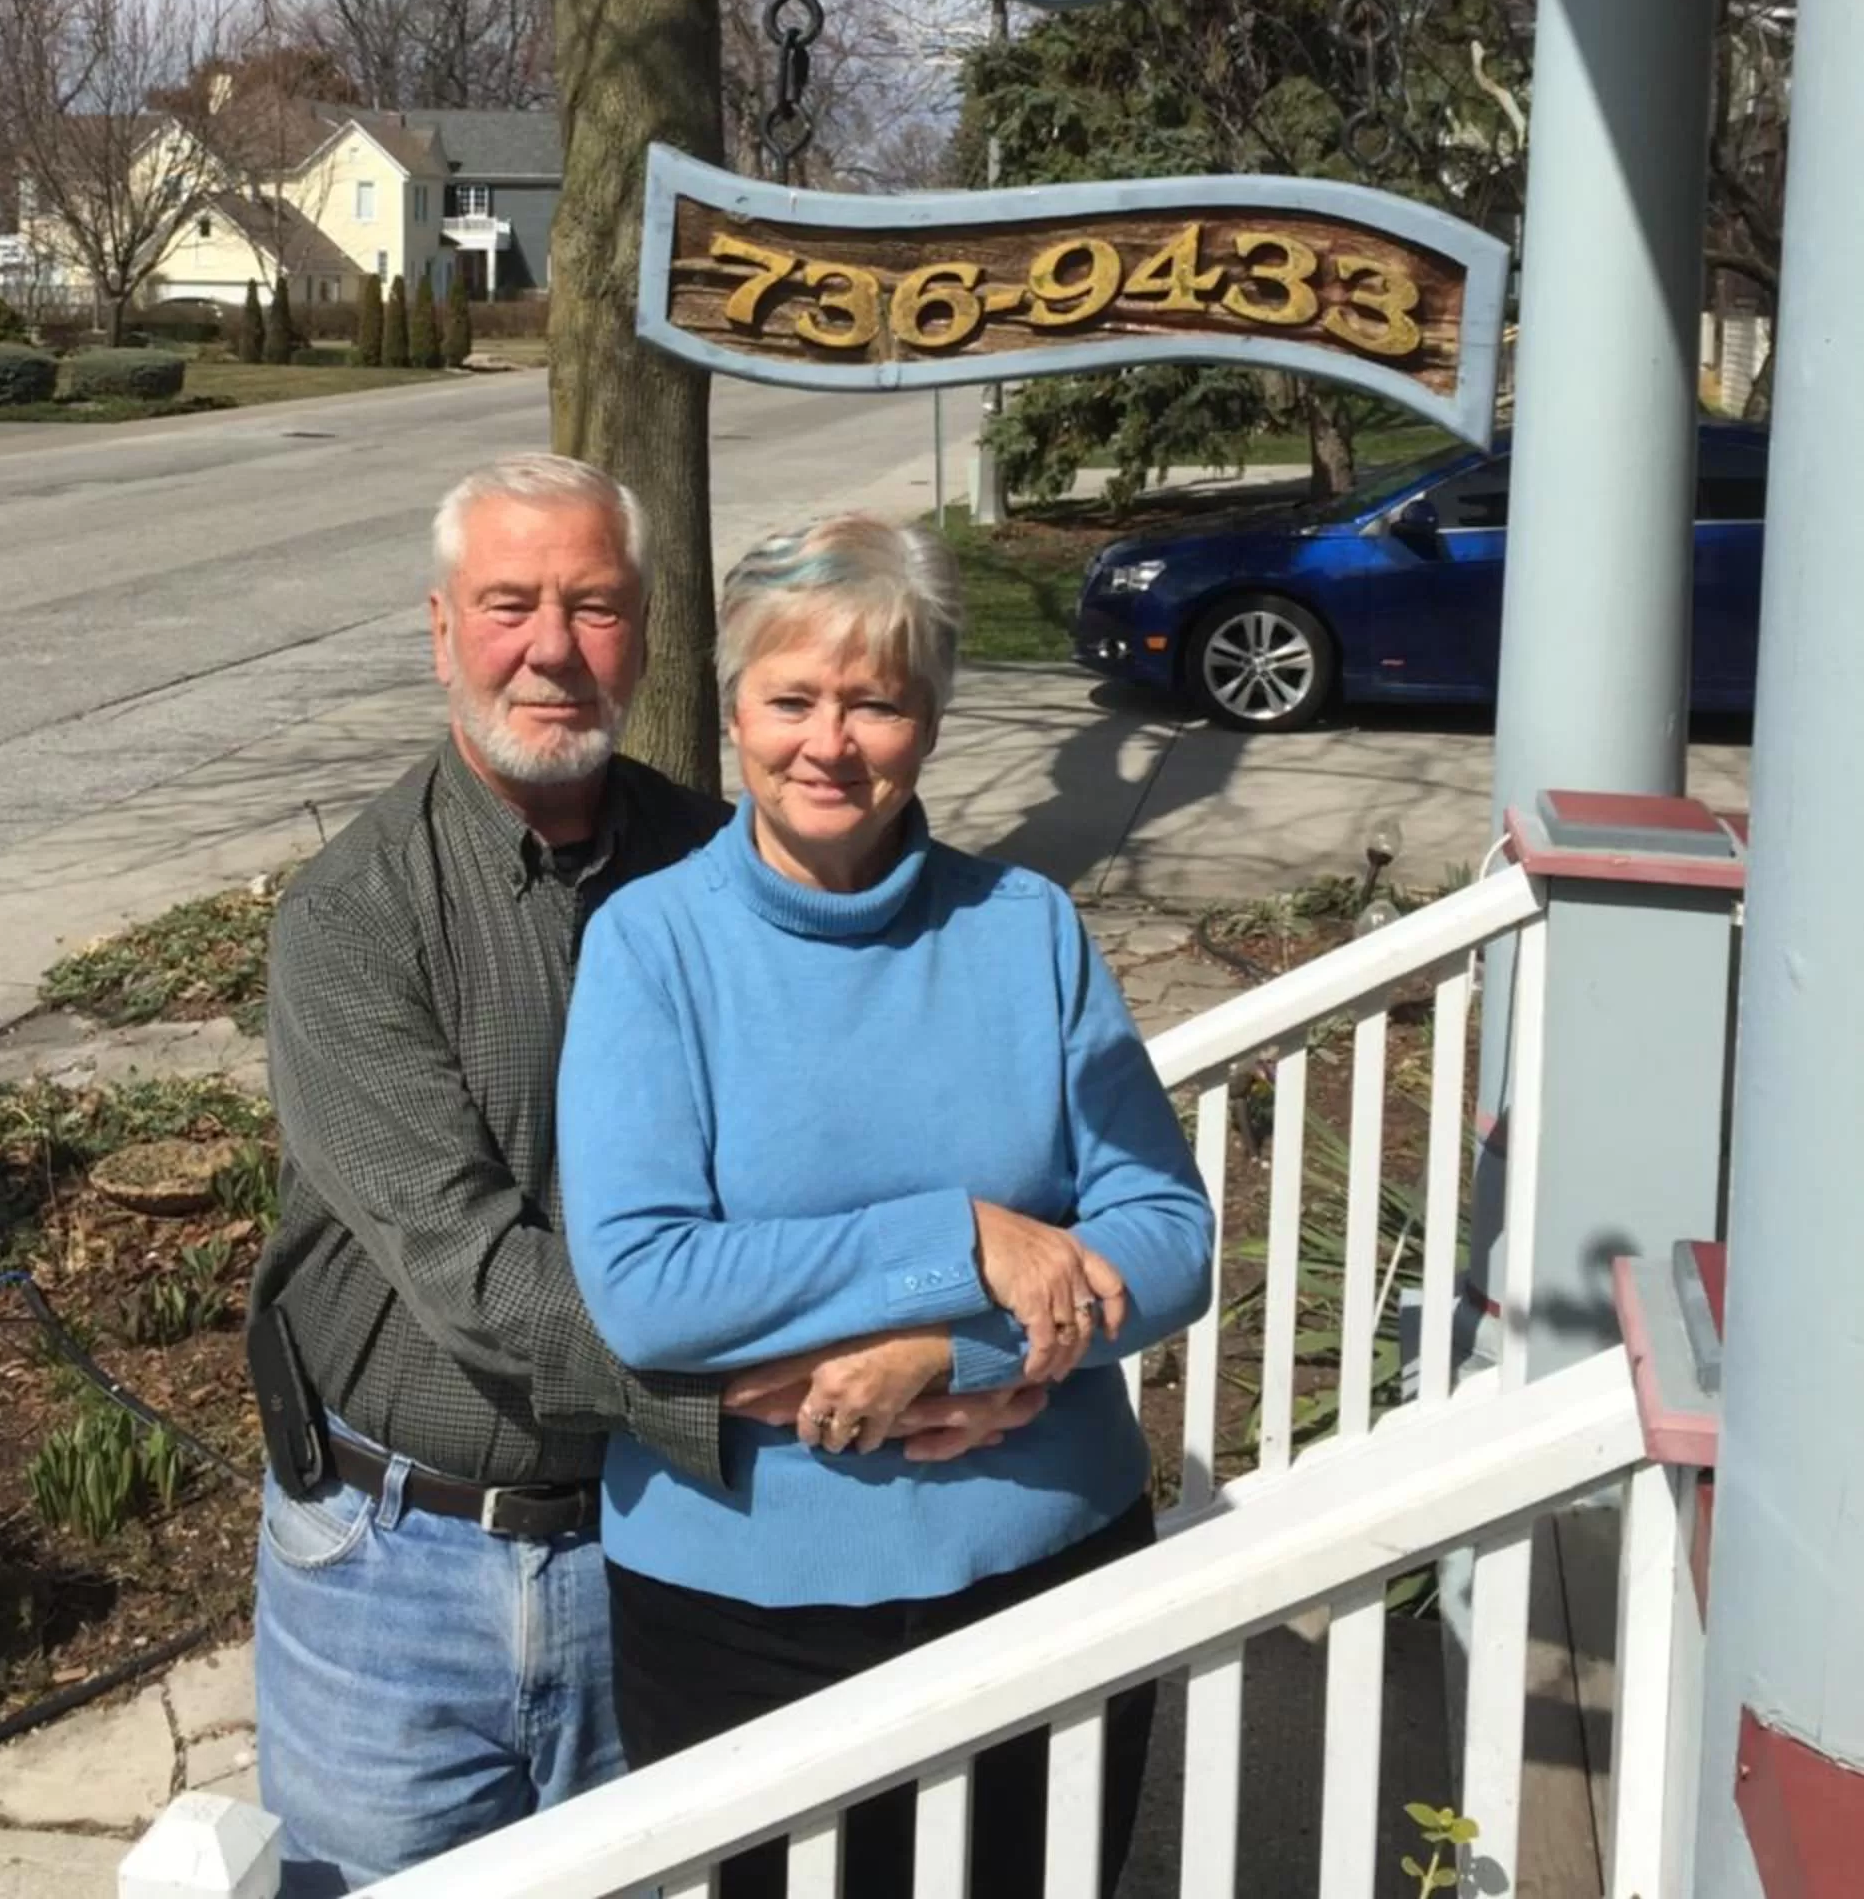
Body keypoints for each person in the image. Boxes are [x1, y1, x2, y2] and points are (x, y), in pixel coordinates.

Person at [247, 456, 1044, 1893]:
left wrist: (953, 1321)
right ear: (441, 631)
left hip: (669, 1546)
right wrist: (761, 1384)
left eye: (594, 606)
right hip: (402, 1561)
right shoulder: (354, 916)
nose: (550, 647)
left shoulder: (729, 862)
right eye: (508, 604)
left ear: (646, 635)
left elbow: (893, 1140)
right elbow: (471, 1272)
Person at [559, 514, 1217, 1899]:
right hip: (740, 1608)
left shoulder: (1023, 928)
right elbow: (647, 1287)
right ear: (732, 707)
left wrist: (963, 1351)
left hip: (1041, 1567)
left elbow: (1163, 1239)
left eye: (875, 702)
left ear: (928, 717)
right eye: (790, 698)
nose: (827, 742)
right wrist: (959, 1237)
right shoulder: (651, 945)